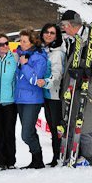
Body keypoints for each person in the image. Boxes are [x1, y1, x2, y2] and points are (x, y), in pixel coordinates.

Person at [59, 10, 92, 166]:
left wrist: (85, 72)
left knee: (85, 124)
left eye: (64, 26)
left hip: (88, 90)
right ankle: (76, 155)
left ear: (68, 25)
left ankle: (88, 157)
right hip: (75, 89)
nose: (64, 29)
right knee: (75, 122)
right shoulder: (75, 40)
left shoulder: (91, 41)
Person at [15, 28, 48, 169]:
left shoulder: (39, 57)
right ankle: (36, 160)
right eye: (20, 40)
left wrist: (25, 65)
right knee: (29, 131)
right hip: (20, 98)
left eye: (24, 41)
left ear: (32, 42)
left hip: (32, 99)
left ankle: (38, 157)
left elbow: (35, 79)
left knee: (26, 134)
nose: (21, 43)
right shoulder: (20, 55)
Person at [37, 23, 65, 167]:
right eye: (46, 32)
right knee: (52, 126)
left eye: (52, 33)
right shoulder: (44, 50)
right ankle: (56, 156)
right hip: (46, 95)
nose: (48, 34)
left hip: (55, 95)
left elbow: (57, 76)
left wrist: (45, 83)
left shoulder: (57, 53)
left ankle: (58, 157)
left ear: (57, 36)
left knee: (56, 127)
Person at [0, 33, 18, 170]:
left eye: (7, 43)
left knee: (9, 133)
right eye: (2, 44)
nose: (6, 46)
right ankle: (0, 162)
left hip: (10, 103)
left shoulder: (14, 58)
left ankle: (11, 162)